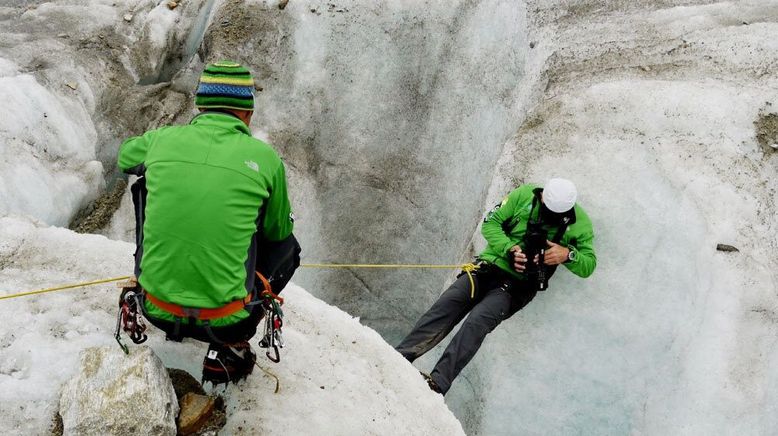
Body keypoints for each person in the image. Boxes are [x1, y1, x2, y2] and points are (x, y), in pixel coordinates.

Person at [117, 60, 300, 384]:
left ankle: (164, 287)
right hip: (227, 321)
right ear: (247, 113)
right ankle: (230, 348)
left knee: (146, 187)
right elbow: (278, 233)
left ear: (201, 106)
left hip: (155, 308)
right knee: (288, 247)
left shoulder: (162, 140)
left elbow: (125, 157)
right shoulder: (265, 159)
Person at [395, 178, 596, 395]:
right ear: (542, 196)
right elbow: (491, 223)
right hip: (488, 268)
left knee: (477, 322)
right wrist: (510, 248)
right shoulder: (523, 195)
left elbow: (589, 264)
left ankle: (437, 384)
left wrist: (567, 254)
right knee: (446, 305)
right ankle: (398, 357)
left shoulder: (580, 224)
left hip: (517, 288)